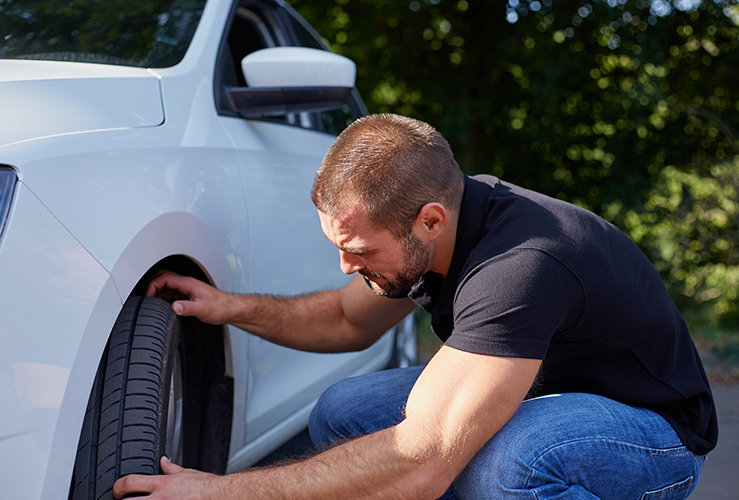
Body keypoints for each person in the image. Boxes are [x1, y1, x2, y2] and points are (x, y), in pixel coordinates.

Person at [114, 114, 717, 500]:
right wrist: (230, 305)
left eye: (357, 250)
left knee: (515, 463)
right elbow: (346, 318)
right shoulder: (438, 226)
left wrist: (222, 494)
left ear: (428, 220)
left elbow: (420, 461)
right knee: (344, 409)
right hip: (545, 390)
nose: (347, 266)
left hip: (651, 433)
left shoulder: (522, 264)